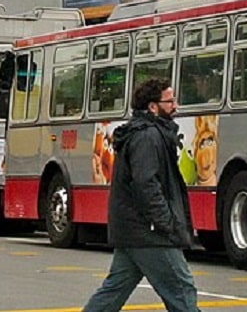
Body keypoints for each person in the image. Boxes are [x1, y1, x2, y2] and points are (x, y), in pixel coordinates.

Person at [82, 78, 201, 312]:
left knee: (113, 292)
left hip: (133, 230)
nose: (175, 106)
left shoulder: (146, 132)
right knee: (182, 290)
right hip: (149, 233)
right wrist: (165, 222)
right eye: (170, 101)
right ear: (153, 107)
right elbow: (146, 184)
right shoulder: (148, 136)